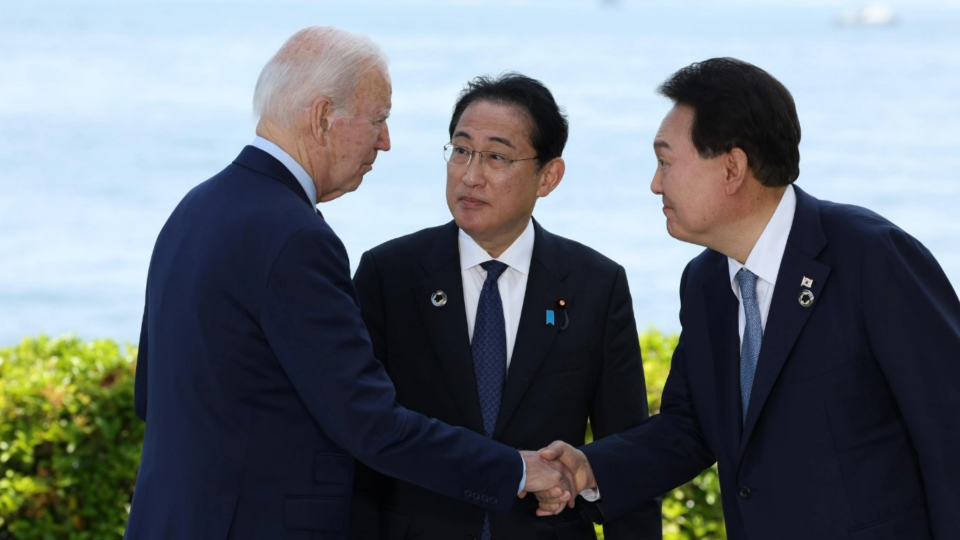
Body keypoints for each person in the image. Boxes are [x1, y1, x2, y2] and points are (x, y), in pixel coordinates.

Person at [124, 26, 573, 540]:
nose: (386, 141)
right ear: (322, 119)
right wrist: (518, 470)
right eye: (378, 120)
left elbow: (150, 395)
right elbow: (370, 425)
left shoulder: (195, 209)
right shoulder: (295, 237)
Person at [536, 57, 960, 540]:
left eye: (666, 161)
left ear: (732, 167)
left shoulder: (870, 255)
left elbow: (949, 430)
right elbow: (692, 426)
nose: (655, 183)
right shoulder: (704, 282)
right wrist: (590, 467)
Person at [347, 73, 661, 540]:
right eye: (460, 150)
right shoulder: (389, 273)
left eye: (496, 156)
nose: (470, 176)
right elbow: (360, 437)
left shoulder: (597, 284)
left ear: (548, 176)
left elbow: (627, 454)